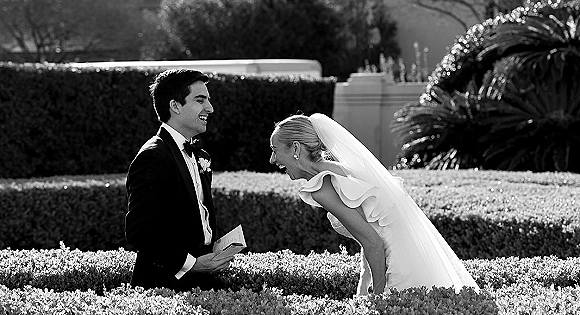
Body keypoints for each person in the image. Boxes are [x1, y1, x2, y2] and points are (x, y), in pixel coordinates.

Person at [269, 113, 479, 296]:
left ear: (295, 148)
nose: (272, 159)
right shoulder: (338, 169)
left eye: (275, 149)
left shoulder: (322, 187)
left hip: (400, 267)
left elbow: (374, 244)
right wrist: (364, 284)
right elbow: (372, 229)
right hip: (417, 259)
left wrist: (377, 298)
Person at [125, 68, 233, 291]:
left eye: (208, 101)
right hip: (163, 287)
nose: (210, 109)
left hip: (202, 284)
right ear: (175, 106)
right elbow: (140, 232)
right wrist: (191, 264)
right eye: (200, 100)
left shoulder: (201, 155)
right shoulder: (153, 156)